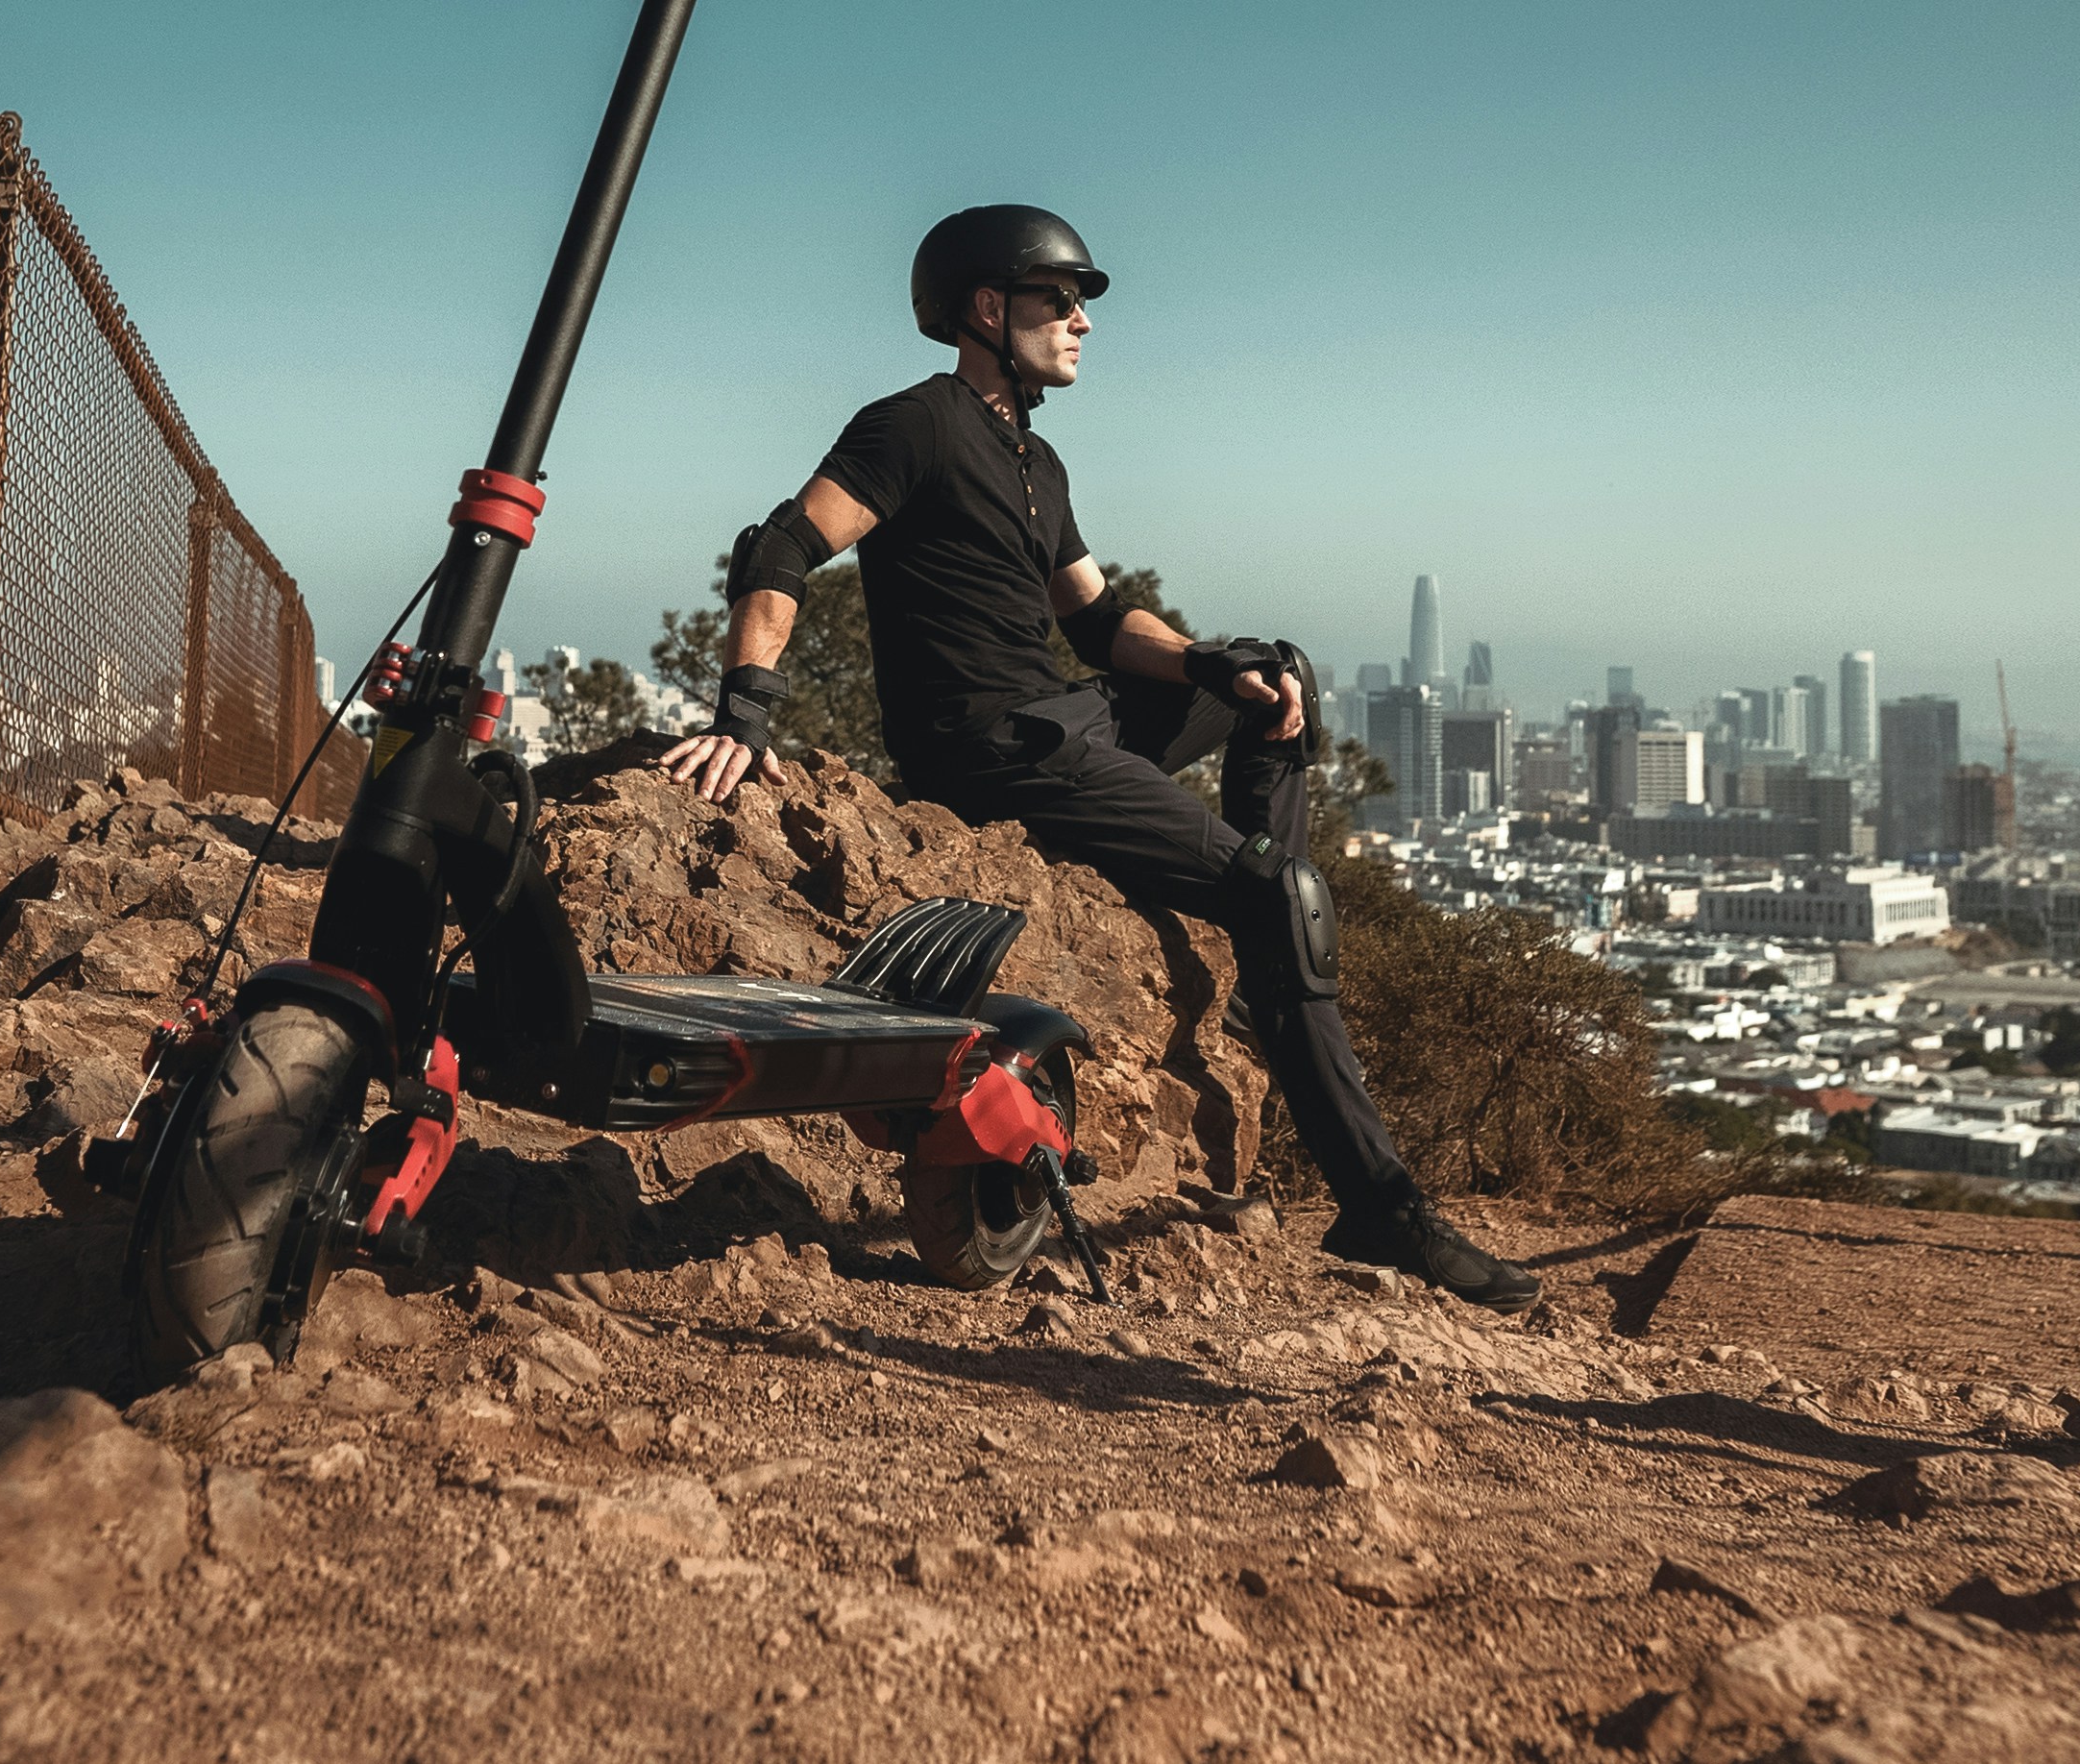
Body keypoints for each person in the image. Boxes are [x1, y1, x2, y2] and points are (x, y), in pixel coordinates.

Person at [656, 204, 1537, 1311]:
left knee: (1281, 673)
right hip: (1003, 753)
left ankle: (1266, 945)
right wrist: (746, 711)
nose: (1081, 321)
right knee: (1281, 894)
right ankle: (1380, 1207)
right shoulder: (910, 427)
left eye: (1080, 304)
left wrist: (1222, 667)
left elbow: (1101, 623)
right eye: (1058, 300)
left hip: (1074, 710)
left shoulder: (1037, 455)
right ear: (988, 309)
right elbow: (785, 543)